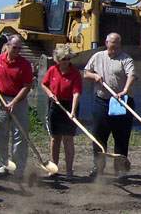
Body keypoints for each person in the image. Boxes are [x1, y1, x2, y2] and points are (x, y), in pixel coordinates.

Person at [84, 32, 138, 177]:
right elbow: (86, 73)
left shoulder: (126, 59)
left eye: (117, 43)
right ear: (106, 43)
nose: (114, 45)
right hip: (102, 101)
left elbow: (132, 75)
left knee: (121, 136)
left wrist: (125, 90)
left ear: (120, 44)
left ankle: (119, 168)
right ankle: (98, 166)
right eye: (112, 42)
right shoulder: (97, 57)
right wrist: (94, 76)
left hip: (121, 102)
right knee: (99, 135)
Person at [0, 34, 33, 179]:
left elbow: (27, 86)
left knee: (20, 134)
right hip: (1, 99)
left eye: (19, 48)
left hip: (18, 101)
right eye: (14, 48)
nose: (17, 51)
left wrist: (14, 102)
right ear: (8, 46)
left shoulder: (25, 64)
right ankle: (2, 164)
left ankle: (18, 168)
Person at [42, 45, 82, 180]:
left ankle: (69, 170)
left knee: (68, 138)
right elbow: (44, 84)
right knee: (55, 138)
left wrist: (73, 111)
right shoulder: (52, 70)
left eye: (68, 59)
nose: (66, 61)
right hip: (56, 105)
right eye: (64, 59)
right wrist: (49, 94)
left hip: (69, 105)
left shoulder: (75, 73)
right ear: (58, 59)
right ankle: (53, 168)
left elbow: (76, 93)